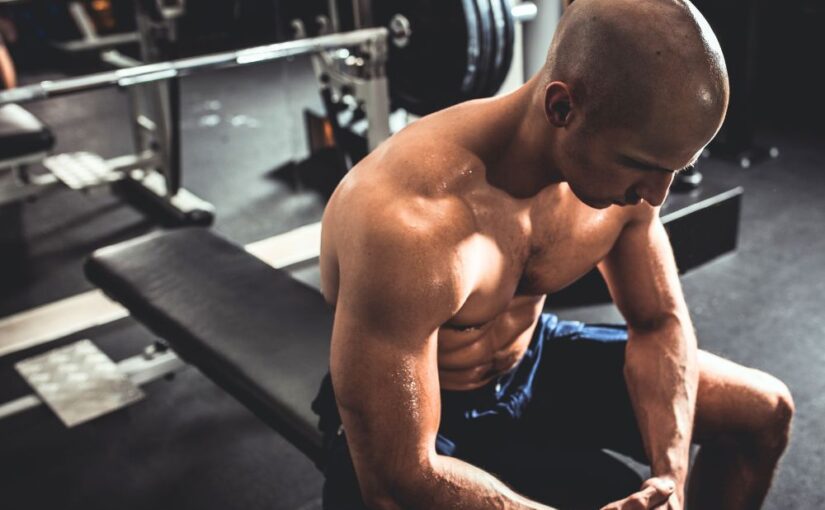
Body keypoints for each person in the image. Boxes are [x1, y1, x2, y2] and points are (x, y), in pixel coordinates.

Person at [312, 0, 794, 508]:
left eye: (677, 167)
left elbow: (657, 324)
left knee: (766, 411)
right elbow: (396, 477)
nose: (657, 196)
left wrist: (668, 482)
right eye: (644, 167)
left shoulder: (630, 177)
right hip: (423, 422)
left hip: (531, 362)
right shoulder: (407, 220)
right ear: (562, 108)